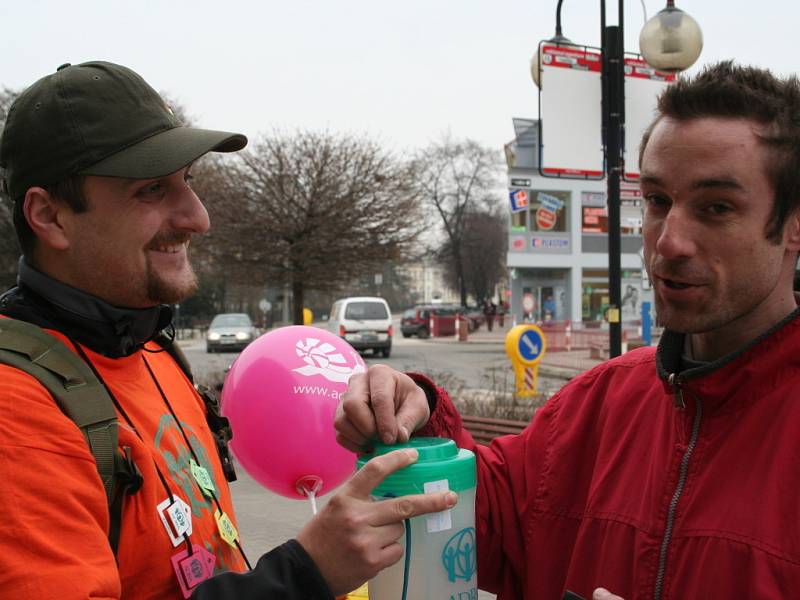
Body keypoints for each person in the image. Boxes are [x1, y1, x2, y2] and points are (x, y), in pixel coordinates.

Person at [335, 61, 800, 599]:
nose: (668, 241)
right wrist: (413, 417)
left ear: (793, 224)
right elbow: (487, 523)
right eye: (656, 201)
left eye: (717, 207)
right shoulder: (598, 401)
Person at [0, 61, 456, 599]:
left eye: (186, 182)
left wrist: (394, 414)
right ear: (50, 216)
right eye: (150, 190)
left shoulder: (152, 348)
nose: (198, 217)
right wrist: (304, 573)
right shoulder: (18, 406)